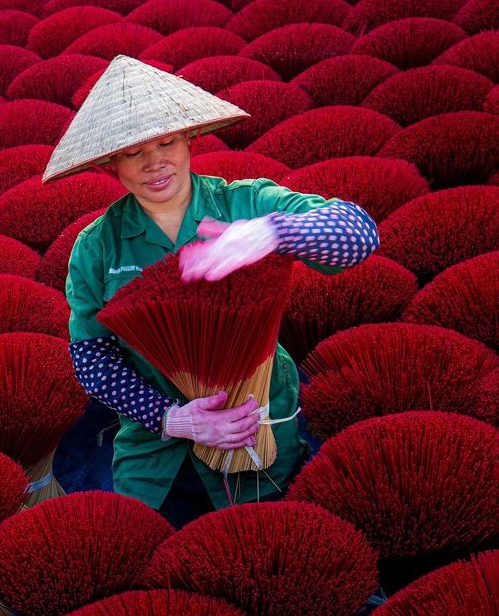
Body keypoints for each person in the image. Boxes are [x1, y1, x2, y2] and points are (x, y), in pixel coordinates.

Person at [44, 55, 379, 528]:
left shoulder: (246, 203)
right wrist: (173, 418)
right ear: (110, 164)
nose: (155, 163)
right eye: (133, 153)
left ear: (189, 138)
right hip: (157, 462)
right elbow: (92, 358)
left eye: (166, 141)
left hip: (261, 439)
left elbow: (358, 234)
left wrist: (274, 232)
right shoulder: (97, 247)